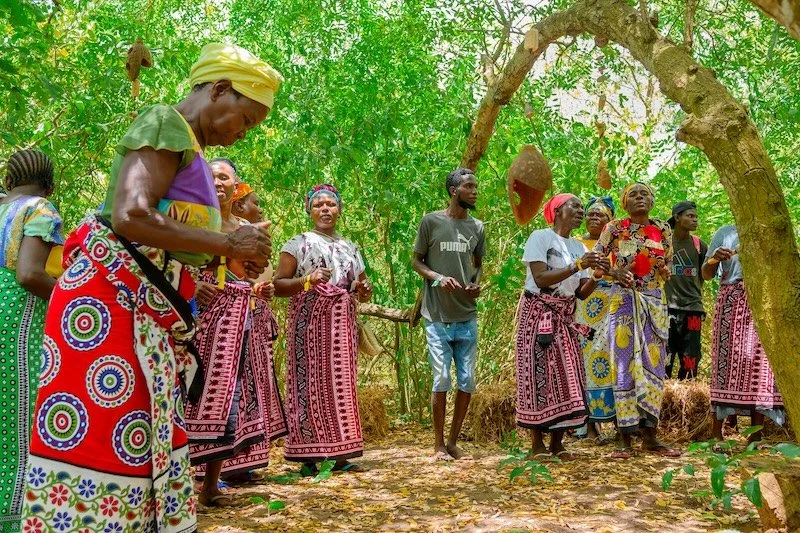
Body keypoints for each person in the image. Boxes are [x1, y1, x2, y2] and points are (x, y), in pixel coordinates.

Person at [21, 42, 280, 531]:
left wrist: (229, 241)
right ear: (220, 90)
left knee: (134, 440)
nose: (243, 134)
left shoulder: (191, 150)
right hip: (108, 308)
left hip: (138, 310)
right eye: (244, 120)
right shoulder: (165, 123)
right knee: (103, 434)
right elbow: (131, 215)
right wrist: (229, 245)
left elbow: (167, 227)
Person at [186, 159, 284, 506]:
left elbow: (254, 271)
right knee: (190, 394)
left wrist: (260, 288)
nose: (218, 182)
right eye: (211, 175)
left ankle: (211, 486)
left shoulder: (245, 227)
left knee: (227, 398)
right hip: (197, 319)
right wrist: (195, 284)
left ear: (235, 184)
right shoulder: (191, 220)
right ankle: (183, 484)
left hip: (238, 322)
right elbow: (174, 261)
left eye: (224, 177)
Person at [274, 184, 372, 474]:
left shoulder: (350, 247)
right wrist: (309, 280)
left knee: (341, 386)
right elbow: (278, 285)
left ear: (339, 210)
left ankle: (341, 455)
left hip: (341, 326)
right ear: (309, 209)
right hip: (309, 325)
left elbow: (361, 286)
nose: (325, 209)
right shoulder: (298, 243)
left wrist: (364, 289)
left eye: (331, 204)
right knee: (308, 386)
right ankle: (308, 458)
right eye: (318, 205)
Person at [515, 194, 608, 461]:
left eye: (581, 207)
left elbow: (580, 293)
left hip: (566, 314)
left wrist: (596, 276)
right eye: (574, 206)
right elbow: (541, 277)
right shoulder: (540, 237)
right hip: (539, 313)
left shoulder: (578, 247)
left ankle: (558, 444)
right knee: (537, 374)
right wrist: (578, 265)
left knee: (567, 377)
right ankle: (536, 445)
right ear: (557, 210)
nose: (580, 211)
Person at [0, 150, 64, 532]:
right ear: (49, 183)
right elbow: (29, 275)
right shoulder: (41, 209)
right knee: (18, 421)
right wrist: (74, 298)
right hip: (15, 322)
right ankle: (16, 520)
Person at [594, 182, 680, 459]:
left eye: (645, 194)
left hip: (654, 301)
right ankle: (624, 437)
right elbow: (596, 261)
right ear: (624, 202)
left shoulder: (662, 229)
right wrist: (616, 273)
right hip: (623, 300)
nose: (640, 197)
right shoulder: (614, 228)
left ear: (653, 201)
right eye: (634, 194)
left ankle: (651, 436)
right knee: (623, 364)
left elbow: (668, 262)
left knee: (654, 364)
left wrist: (667, 270)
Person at [412, 168, 485, 461]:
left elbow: (478, 264)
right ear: (454, 191)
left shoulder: (477, 227)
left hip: (467, 314)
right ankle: (438, 445)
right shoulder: (431, 222)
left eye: (476, 187)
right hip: (437, 316)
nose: (474, 191)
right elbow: (416, 262)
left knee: (467, 380)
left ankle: (454, 442)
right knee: (441, 378)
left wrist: (476, 283)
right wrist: (437, 277)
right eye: (469, 186)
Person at [702, 225, 783, 443]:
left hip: (763, 300)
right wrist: (714, 259)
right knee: (726, 362)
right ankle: (716, 433)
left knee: (760, 363)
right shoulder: (725, 233)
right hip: (731, 298)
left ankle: (755, 435)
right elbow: (706, 274)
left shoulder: (772, 232)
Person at [575, 196, 617, 440]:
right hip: (582, 309)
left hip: (611, 309)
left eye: (599, 214)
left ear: (610, 221)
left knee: (610, 364)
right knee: (585, 363)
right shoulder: (575, 243)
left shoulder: (617, 244)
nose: (593, 218)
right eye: (590, 214)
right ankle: (589, 423)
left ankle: (615, 420)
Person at [665, 201, 708, 379]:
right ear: (677, 217)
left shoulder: (700, 245)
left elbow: (705, 274)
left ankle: (688, 391)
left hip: (693, 310)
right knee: (664, 354)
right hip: (666, 308)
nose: (695, 220)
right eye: (690, 216)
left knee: (690, 356)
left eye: (696, 217)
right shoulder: (664, 243)